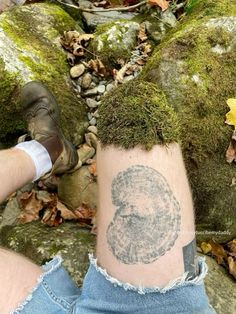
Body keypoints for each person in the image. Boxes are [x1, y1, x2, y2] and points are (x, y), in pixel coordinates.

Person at [0, 81, 215, 314]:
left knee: (133, 121)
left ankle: (46, 150)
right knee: (135, 115)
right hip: (158, 306)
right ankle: (49, 151)